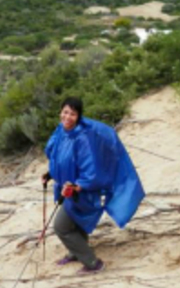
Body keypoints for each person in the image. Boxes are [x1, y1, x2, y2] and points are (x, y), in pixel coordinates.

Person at [43, 97, 145, 275]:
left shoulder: (82, 138)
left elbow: (90, 171)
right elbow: (60, 158)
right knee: (75, 222)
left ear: (79, 116)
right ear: (60, 112)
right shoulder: (61, 131)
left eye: (73, 114)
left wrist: (77, 186)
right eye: (65, 112)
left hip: (81, 192)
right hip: (66, 188)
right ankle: (75, 252)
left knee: (61, 227)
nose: (67, 117)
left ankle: (93, 263)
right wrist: (51, 174)